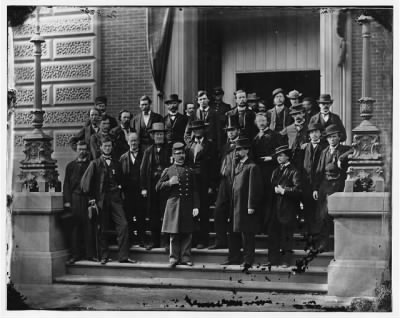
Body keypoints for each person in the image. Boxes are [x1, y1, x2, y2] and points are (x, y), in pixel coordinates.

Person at [81, 136, 135, 265]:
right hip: (101, 200)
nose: (108, 148)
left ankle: (123, 256)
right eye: (105, 146)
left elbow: (122, 180)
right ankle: (104, 256)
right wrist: (92, 198)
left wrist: (120, 187)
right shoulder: (95, 163)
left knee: (124, 225)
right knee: (102, 227)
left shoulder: (117, 163)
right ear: (100, 148)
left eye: (109, 146)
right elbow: (85, 184)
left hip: (116, 199)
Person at [156, 142, 200, 267]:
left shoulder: (190, 171)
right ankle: (174, 258)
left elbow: (195, 190)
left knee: (187, 232)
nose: (181, 156)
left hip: (187, 204)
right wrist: (169, 183)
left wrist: (196, 206)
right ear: (173, 155)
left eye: (182, 153)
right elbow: (157, 187)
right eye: (178, 153)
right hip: (173, 204)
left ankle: (186, 257)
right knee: (174, 233)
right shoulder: (168, 170)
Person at [221, 137, 262, 268]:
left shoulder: (252, 167)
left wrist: (251, 206)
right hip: (235, 205)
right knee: (233, 232)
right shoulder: (238, 165)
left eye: (240, 149)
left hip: (245, 205)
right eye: (237, 149)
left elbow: (254, 188)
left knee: (247, 234)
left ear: (247, 150)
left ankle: (248, 259)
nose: (238, 152)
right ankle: (234, 257)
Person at [312, 124, 352, 252]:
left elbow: (355, 149)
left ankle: (341, 245)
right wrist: (315, 188)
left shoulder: (345, 148)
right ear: (327, 139)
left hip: (338, 186)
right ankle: (324, 244)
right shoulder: (324, 152)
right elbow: (318, 171)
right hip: (324, 186)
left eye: (334, 137)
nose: (332, 139)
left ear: (339, 137)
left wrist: (341, 157)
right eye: (330, 137)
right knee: (323, 216)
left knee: (338, 216)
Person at [266, 145, 302, 267]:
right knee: (273, 235)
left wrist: (284, 191)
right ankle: (273, 260)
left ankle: (286, 260)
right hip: (274, 208)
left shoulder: (294, 171)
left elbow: (298, 190)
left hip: (288, 208)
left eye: (282, 155)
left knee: (287, 236)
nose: (279, 158)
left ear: (288, 157)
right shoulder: (275, 171)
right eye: (278, 156)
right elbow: (270, 188)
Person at [209, 116, 240, 250]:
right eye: (228, 130)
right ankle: (220, 240)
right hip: (224, 181)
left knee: (235, 213)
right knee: (218, 211)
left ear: (238, 130)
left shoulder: (244, 145)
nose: (230, 133)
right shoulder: (225, 146)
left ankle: (236, 245)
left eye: (232, 130)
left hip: (237, 181)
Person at [186, 120, 218, 249]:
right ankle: (193, 239)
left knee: (204, 211)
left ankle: (203, 240)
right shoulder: (189, 145)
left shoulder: (210, 145)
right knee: (193, 211)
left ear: (203, 130)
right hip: (192, 182)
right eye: (194, 129)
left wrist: (212, 185)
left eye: (199, 129)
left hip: (205, 182)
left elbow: (214, 166)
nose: (197, 132)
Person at [140, 122, 171, 250]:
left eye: (161, 134)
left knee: (166, 213)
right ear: (152, 136)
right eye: (157, 134)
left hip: (166, 186)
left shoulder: (169, 149)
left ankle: (166, 242)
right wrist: (143, 188)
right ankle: (155, 241)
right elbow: (143, 170)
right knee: (153, 215)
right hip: (153, 187)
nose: (159, 136)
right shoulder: (148, 151)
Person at [63, 141, 95, 264]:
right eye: (80, 148)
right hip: (75, 199)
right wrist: (67, 201)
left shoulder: (91, 165)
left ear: (87, 150)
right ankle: (75, 255)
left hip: (87, 199)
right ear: (76, 150)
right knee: (75, 228)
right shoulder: (70, 166)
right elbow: (66, 184)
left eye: (84, 149)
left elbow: (94, 184)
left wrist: (92, 200)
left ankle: (90, 254)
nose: (82, 151)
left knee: (89, 227)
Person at [251, 112, 281, 228]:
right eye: (259, 121)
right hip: (259, 171)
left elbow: (282, 151)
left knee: (270, 198)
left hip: (271, 170)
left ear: (267, 121)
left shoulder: (275, 135)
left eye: (263, 121)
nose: (261, 124)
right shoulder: (255, 138)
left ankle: (270, 225)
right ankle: (261, 224)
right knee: (260, 196)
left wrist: (272, 158)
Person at [302, 123, 328, 250]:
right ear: (309, 135)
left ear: (320, 133)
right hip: (306, 186)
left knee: (320, 215)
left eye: (316, 132)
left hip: (320, 185)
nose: (314, 134)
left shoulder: (325, 147)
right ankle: (310, 242)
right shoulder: (305, 148)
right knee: (308, 214)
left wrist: (317, 187)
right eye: (312, 132)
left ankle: (320, 242)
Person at [119, 132, 145, 247]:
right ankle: (131, 239)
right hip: (128, 192)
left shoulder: (145, 155)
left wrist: (144, 188)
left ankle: (142, 239)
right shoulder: (123, 157)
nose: (133, 143)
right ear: (128, 142)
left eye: (135, 140)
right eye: (131, 141)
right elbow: (120, 175)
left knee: (141, 215)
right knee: (129, 215)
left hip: (141, 191)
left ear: (138, 141)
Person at [281, 103, 309, 171]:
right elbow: (278, 138)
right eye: (294, 114)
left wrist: (309, 143)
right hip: (292, 157)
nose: (297, 116)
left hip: (306, 157)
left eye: (299, 113)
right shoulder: (288, 129)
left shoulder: (309, 127)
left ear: (303, 114)